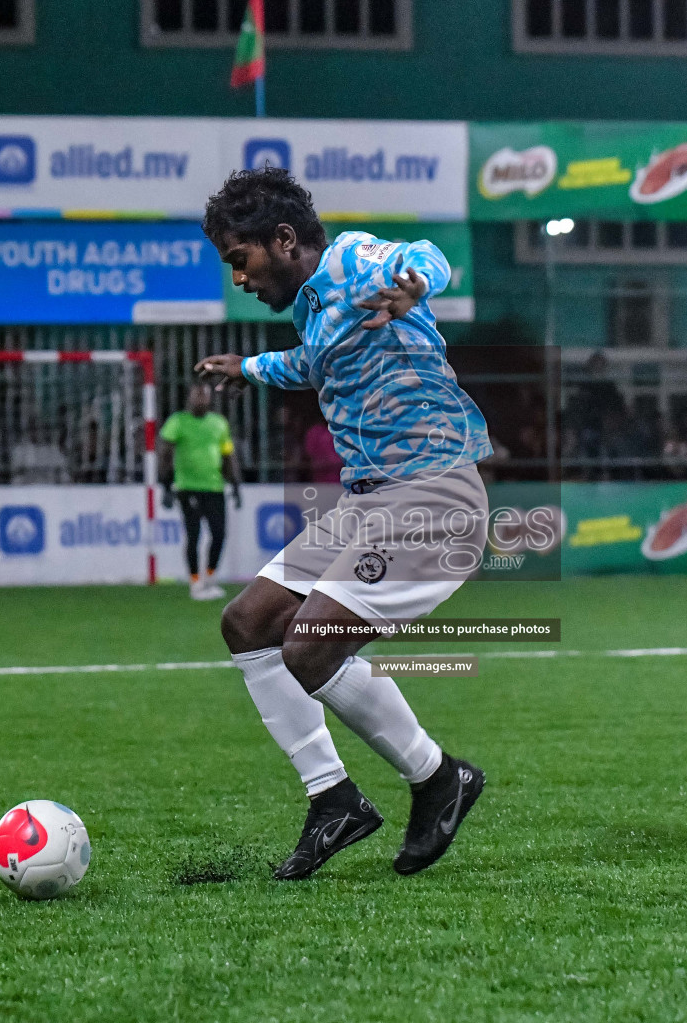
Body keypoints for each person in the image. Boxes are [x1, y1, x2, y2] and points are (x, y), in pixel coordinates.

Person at [194, 168, 493, 881]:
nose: (239, 277)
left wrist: (417, 281)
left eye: (241, 259)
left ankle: (437, 777)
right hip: (367, 504)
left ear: (285, 239)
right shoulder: (313, 307)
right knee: (248, 621)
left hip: (432, 498)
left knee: (310, 648)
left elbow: (422, 255)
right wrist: (252, 368)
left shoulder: (354, 260)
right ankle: (333, 797)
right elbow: (313, 361)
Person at [160, 382, 242, 600]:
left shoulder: (218, 423)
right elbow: (165, 454)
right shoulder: (178, 422)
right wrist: (166, 486)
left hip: (215, 487)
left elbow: (227, 455)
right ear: (189, 398)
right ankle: (195, 583)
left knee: (219, 534)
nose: (200, 400)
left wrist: (235, 485)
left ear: (209, 399)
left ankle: (210, 577)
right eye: (197, 396)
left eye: (204, 396)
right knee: (194, 534)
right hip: (188, 487)